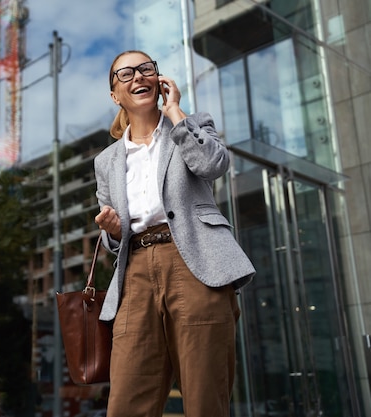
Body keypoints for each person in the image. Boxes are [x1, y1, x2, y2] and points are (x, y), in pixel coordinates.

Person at [93, 50, 256, 417]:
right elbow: (112, 237)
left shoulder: (192, 125)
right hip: (134, 273)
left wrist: (176, 114)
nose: (138, 76)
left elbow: (214, 165)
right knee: (126, 401)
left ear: (158, 79)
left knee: (204, 397)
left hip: (196, 263)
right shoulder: (106, 161)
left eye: (145, 69)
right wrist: (113, 232)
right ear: (115, 94)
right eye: (126, 74)